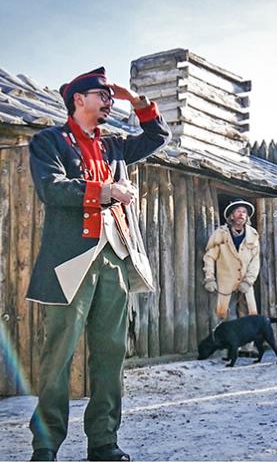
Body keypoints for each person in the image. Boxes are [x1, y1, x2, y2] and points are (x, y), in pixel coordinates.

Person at [27, 67, 171, 461]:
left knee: (111, 353)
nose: (109, 102)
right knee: (57, 356)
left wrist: (138, 103)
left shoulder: (113, 146)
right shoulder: (48, 141)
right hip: (69, 262)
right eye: (102, 96)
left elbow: (157, 137)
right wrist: (106, 190)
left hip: (115, 257)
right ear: (79, 99)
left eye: (111, 97)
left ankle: (104, 441)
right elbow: (51, 189)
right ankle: (45, 445)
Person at [203, 199, 260, 328]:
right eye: (238, 211)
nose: (241, 214)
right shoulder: (220, 234)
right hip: (225, 285)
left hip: (245, 284)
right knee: (227, 318)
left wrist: (248, 281)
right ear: (231, 216)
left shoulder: (253, 235)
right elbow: (209, 257)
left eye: (244, 212)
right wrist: (209, 278)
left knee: (248, 319)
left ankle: (247, 342)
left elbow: (255, 261)